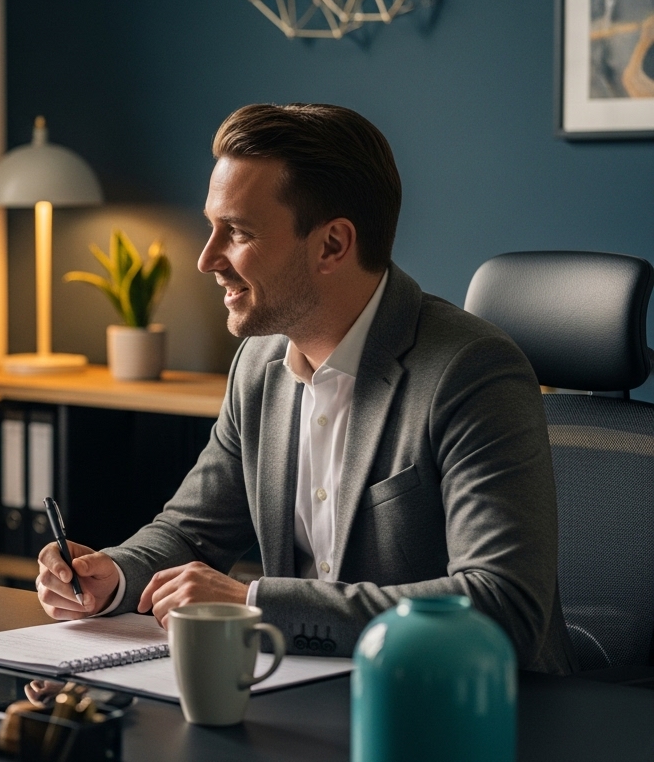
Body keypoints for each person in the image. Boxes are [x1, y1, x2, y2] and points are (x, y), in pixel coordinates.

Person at [34, 103, 574, 673]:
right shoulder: (258, 364)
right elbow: (192, 532)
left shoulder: (471, 372)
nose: (206, 259)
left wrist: (254, 603)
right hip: (308, 692)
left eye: (237, 232)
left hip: (466, 710)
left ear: (332, 246)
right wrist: (112, 577)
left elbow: (501, 606)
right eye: (212, 226)